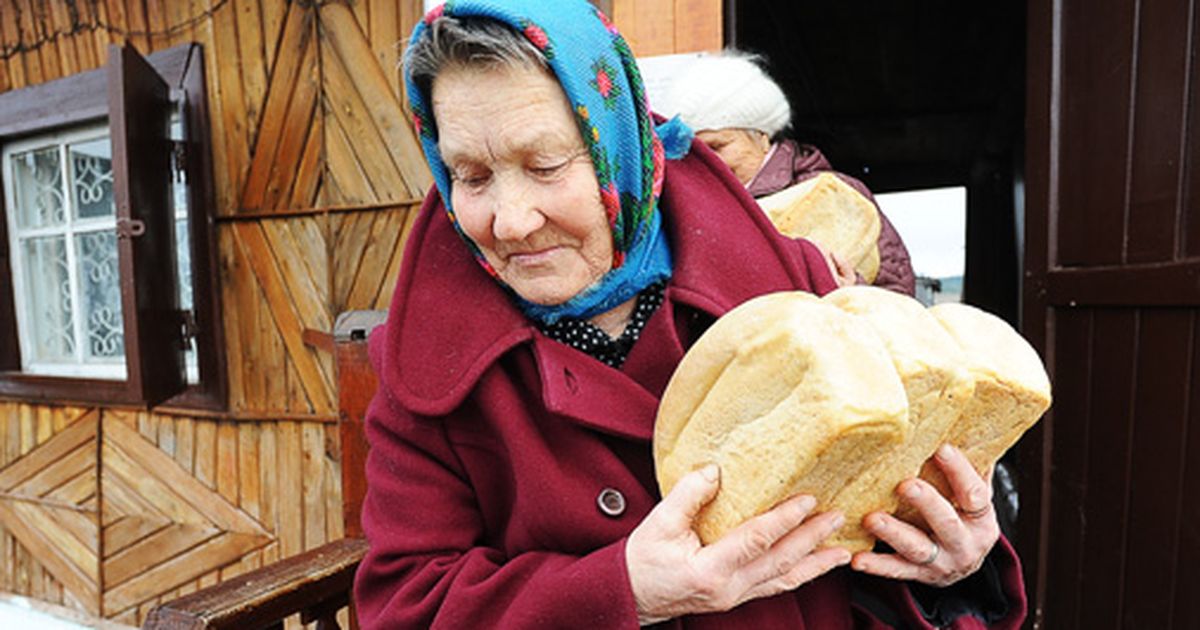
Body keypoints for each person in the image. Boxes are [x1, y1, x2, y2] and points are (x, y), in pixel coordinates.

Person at [354, 1, 1024, 628]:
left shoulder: (804, 291)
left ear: (619, 143)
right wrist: (625, 590)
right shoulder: (424, 370)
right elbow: (405, 605)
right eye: (470, 176)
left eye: (547, 164)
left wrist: (952, 567)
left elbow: (875, 535)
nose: (510, 219)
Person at [657, 50, 917, 296]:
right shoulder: (683, 208)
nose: (707, 162)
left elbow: (897, 296)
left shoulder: (837, 194)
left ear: (761, 136)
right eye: (693, 153)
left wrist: (848, 291)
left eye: (717, 146)